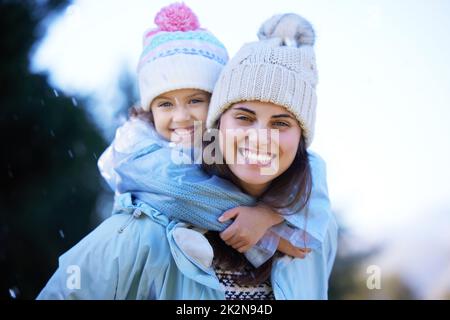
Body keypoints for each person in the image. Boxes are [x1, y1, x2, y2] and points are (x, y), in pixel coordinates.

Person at [37, 5, 336, 300]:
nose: (259, 137)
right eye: (244, 117)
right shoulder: (144, 228)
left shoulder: (315, 236)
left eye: (281, 123)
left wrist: (270, 215)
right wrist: (266, 228)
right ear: (221, 122)